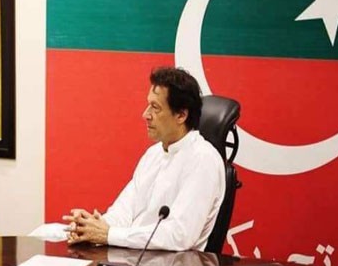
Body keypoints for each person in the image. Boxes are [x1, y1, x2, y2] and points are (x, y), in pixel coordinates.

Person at [63, 67, 225, 251]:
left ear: (181, 115)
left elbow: (179, 235)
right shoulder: (153, 154)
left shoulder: (203, 160)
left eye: (155, 108)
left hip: (172, 265)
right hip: (133, 257)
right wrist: (91, 227)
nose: (146, 114)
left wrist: (108, 234)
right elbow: (123, 211)